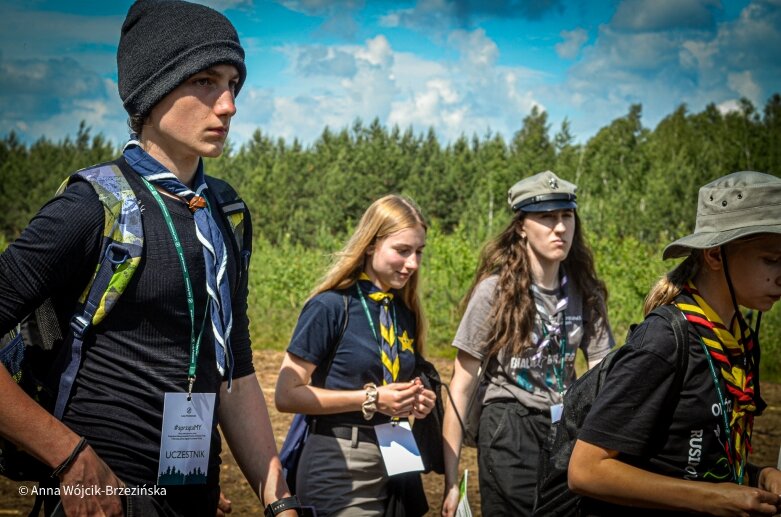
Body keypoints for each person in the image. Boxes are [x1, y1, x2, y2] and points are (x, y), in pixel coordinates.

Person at [0, 1, 297, 515]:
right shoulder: (92, 206)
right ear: (152, 90)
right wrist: (70, 459)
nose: (227, 105)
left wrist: (279, 502)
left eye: (233, 84)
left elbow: (236, 368)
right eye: (205, 81)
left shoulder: (223, 215)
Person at [568, 171, 781, 516]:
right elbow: (586, 470)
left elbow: (687, 459)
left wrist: (760, 475)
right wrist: (713, 499)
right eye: (771, 259)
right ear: (714, 255)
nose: (780, 272)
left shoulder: (738, 342)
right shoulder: (665, 339)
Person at [441, 171, 615, 516]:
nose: (561, 228)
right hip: (508, 424)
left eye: (566, 216)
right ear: (521, 226)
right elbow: (460, 386)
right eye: (547, 217)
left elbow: (602, 375)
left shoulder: (586, 292)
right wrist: (450, 482)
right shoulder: (494, 292)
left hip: (564, 428)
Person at [275, 194, 437, 516]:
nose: (413, 263)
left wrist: (418, 400)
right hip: (340, 460)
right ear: (370, 245)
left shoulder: (403, 311)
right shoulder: (330, 307)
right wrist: (372, 399)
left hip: (397, 453)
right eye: (402, 251)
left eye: (418, 252)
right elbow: (286, 394)